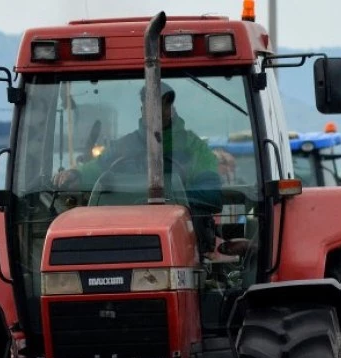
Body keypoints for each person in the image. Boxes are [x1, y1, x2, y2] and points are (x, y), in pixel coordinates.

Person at [54, 82, 229, 258]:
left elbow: (211, 195)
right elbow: (93, 171)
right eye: (149, 105)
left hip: (182, 244)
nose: (155, 111)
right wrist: (75, 174)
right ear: (142, 109)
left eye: (161, 104)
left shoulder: (195, 148)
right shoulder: (123, 147)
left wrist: (161, 196)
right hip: (119, 240)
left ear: (171, 108)